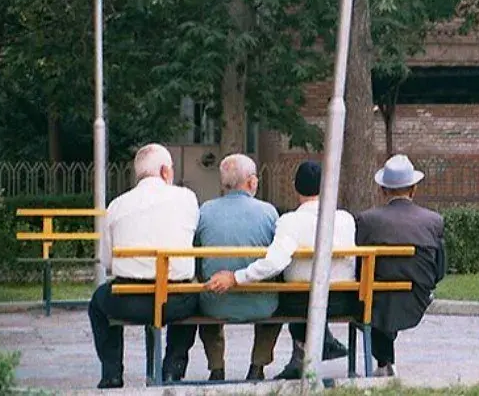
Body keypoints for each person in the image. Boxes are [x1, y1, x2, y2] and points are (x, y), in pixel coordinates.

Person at [206, 161, 357, 380]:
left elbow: (274, 263)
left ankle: (305, 353)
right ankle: (314, 348)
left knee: (283, 292)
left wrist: (236, 277)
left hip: (300, 302)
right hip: (342, 300)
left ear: (295, 187)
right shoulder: (345, 219)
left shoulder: (290, 221)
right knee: (292, 294)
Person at [88, 143, 200, 389]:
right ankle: (172, 368)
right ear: (164, 171)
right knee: (196, 297)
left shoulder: (117, 205)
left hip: (128, 301)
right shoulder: (187, 198)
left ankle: (112, 374)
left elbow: (106, 261)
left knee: (98, 303)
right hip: (174, 301)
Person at [355, 154, 446, 377]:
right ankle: (386, 362)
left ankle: (384, 361)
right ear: (414, 189)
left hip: (375, 296)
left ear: (383, 190)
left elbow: (357, 266)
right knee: (383, 297)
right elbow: (440, 269)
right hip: (417, 294)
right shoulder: (433, 221)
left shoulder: (367, 220)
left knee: (376, 297)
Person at [191, 154, 280, 381]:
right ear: (251, 182)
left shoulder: (205, 211)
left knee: (205, 288)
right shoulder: (268, 212)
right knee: (279, 294)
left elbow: (196, 257)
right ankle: (257, 365)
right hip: (262, 305)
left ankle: (216, 367)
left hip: (215, 304)